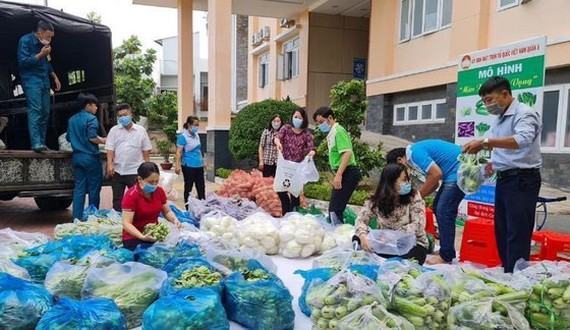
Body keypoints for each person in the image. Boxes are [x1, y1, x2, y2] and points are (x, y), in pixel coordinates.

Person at [463, 76, 542, 273]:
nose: (487, 105)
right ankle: (508, 271)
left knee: (518, 232)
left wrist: (484, 142)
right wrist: (479, 171)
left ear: (505, 94)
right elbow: (501, 153)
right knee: (502, 229)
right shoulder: (498, 120)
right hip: (505, 178)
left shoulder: (525, 113)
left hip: (523, 179)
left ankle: (518, 277)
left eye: (489, 99)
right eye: (484, 101)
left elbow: (522, 140)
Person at [386, 139, 463, 265]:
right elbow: (434, 183)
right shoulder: (415, 156)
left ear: (400, 160)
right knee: (438, 207)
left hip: (457, 172)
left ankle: (446, 256)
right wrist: (416, 198)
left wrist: (415, 199)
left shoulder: (414, 153)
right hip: (453, 173)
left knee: (444, 211)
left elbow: (436, 175)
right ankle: (447, 250)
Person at [354, 164, 428, 264]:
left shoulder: (413, 196)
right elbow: (361, 219)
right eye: (404, 179)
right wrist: (363, 236)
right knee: (356, 238)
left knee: (411, 259)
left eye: (408, 179)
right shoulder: (377, 199)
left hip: (411, 244)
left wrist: (392, 236)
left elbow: (418, 225)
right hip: (385, 244)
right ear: (391, 181)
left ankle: (384, 261)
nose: (408, 183)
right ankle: (384, 260)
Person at [17, 20, 61, 152]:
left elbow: (47, 62)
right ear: (40, 32)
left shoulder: (45, 45)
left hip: (44, 81)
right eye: (48, 36)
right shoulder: (25, 41)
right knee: (35, 109)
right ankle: (35, 143)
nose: (50, 39)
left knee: (45, 111)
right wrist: (40, 54)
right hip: (31, 81)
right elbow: (22, 62)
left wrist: (54, 75)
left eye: (51, 37)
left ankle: (42, 143)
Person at [313, 106, 361, 225]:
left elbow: (347, 153)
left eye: (321, 122)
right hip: (343, 172)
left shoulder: (338, 131)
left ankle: (339, 233)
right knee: (335, 208)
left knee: (335, 209)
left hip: (348, 172)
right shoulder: (332, 132)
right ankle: (338, 232)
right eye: (318, 123)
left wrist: (339, 175)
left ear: (330, 118)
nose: (320, 125)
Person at [122, 162, 182, 250]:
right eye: (150, 182)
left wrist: (174, 220)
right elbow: (126, 223)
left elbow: (167, 211)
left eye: (156, 181)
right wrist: (142, 236)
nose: (154, 185)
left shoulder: (159, 191)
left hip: (154, 233)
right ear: (140, 179)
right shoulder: (131, 195)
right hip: (133, 237)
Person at [105, 104, 152, 211]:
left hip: (135, 171)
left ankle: (137, 220)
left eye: (125, 114)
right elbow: (110, 149)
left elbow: (146, 150)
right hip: (118, 171)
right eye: (120, 116)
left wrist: (148, 169)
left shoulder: (140, 130)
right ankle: (118, 221)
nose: (123, 117)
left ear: (131, 114)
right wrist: (109, 164)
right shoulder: (114, 131)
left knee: (137, 198)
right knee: (117, 200)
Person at [66, 93, 106, 221]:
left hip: (77, 158)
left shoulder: (72, 119)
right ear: (88, 105)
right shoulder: (91, 119)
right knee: (94, 188)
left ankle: (76, 218)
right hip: (90, 158)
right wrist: (105, 140)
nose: (96, 108)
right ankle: (92, 217)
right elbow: (92, 137)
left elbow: (68, 137)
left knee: (79, 189)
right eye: (95, 105)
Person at [274, 108, 315, 215]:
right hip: (284, 166)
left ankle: (293, 216)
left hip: (297, 168)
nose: (297, 119)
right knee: (281, 189)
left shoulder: (306, 133)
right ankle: (286, 212)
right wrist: (278, 143)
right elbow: (277, 138)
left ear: (304, 119)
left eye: (299, 117)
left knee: (295, 193)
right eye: (295, 117)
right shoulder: (286, 128)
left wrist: (311, 153)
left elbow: (312, 148)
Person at [175, 116, 205, 207]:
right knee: (188, 187)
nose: (197, 127)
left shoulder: (197, 135)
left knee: (201, 187)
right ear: (189, 125)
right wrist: (177, 165)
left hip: (199, 165)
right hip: (188, 166)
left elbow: (198, 150)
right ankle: (188, 207)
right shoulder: (183, 137)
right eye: (195, 125)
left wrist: (203, 161)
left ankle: (203, 206)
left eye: (198, 125)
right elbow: (179, 152)